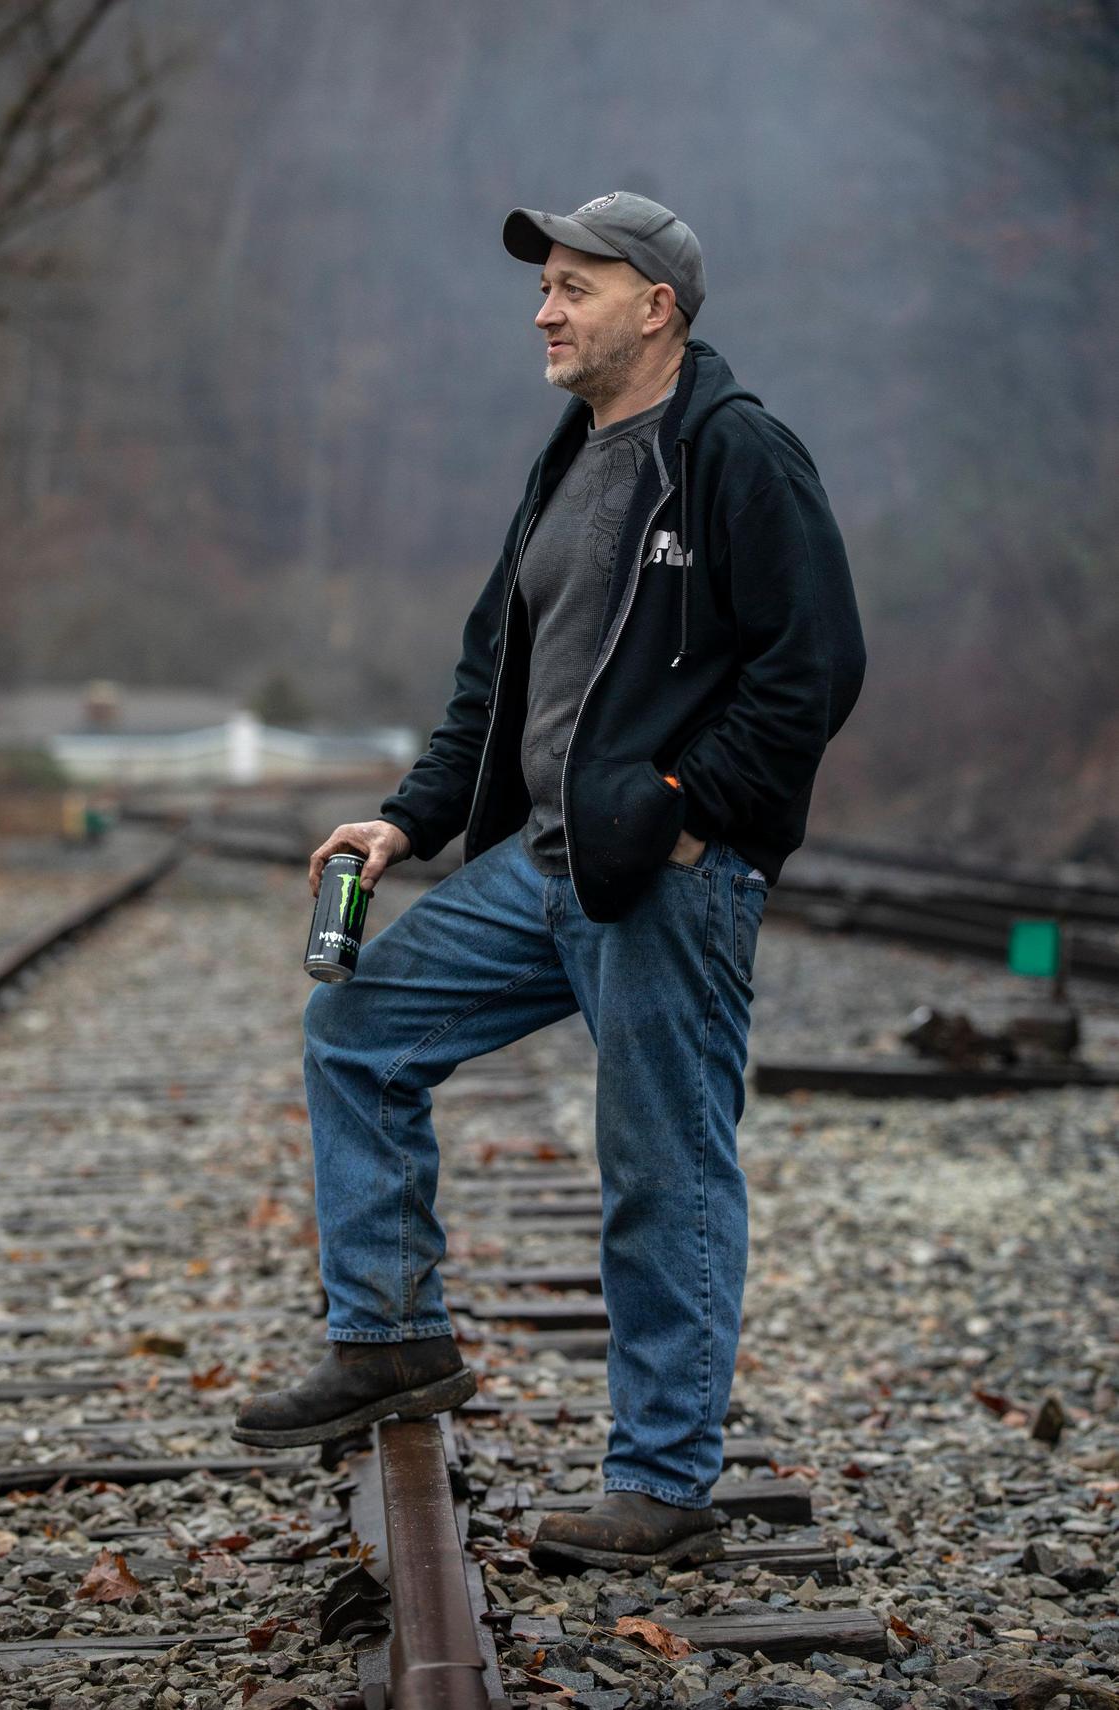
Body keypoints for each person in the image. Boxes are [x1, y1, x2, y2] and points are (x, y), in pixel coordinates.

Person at [234, 192, 867, 1570]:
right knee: (358, 1028)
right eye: (545, 287)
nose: (545, 309)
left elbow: (814, 666)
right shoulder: (569, 461)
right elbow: (494, 679)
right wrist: (406, 823)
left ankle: (663, 1482)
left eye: (576, 285)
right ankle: (393, 1337)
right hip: (548, 866)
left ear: (659, 305)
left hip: (670, 879)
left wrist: (691, 809)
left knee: (660, 1168)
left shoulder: (731, 453)